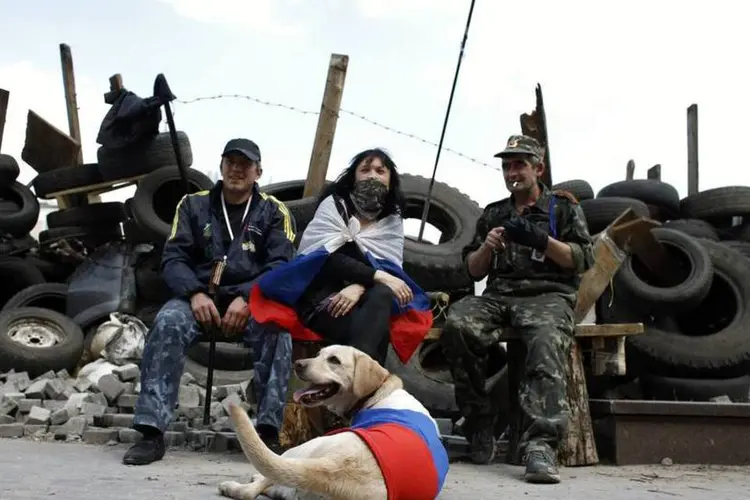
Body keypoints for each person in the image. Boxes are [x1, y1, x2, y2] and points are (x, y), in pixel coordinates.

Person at [123, 138, 297, 466]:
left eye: (244, 164)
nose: (236, 169)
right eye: (230, 161)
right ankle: (151, 431)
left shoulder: (274, 211)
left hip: (251, 300)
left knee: (278, 330)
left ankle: (269, 431)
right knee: (167, 321)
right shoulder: (192, 204)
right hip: (198, 297)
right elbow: (173, 258)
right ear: (220, 166)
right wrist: (194, 293)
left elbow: (282, 266)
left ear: (258, 172)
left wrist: (248, 297)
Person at [440, 135, 594, 484]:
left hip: (548, 295)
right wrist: (488, 248)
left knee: (543, 340)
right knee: (459, 325)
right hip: (500, 294)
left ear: (538, 168)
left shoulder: (563, 208)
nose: (512, 172)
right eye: (507, 165)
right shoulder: (496, 212)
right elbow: (474, 270)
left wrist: (541, 240)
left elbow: (582, 260)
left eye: (520, 164)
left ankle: (540, 444)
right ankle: (479, 424)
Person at [248, 148, 432, 369]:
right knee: (375, 329)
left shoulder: (392, 221)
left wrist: (358, 286)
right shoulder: (334, 207)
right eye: (365, 169)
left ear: (391, 181)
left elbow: (390, 269)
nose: (372, 175)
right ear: (353, 178)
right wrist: (377, 276)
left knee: (381, 297)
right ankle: (362, 385)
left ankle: (354, 378)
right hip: (321, 298)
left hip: (367, 299)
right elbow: (324, 259)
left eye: (380, 171)